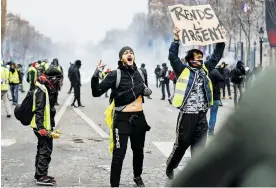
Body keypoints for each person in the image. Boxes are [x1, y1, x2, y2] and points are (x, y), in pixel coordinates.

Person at [170, 65, 276, 187]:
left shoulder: (269, 85)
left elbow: (213, 160)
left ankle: (209, 129)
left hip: (207, 105)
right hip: (198, 108)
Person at [166, 26, 225, 179]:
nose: (200, 58)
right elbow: (172, 57)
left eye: (201, 56)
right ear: (190, 60)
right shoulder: (182, 70)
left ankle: (196, 176)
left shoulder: (206, 69)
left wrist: (220, 39)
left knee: (199, 148)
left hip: (201, 116)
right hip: (187, 116)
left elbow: (217, 55)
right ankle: (171, 166)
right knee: (182, 145)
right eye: (196, 56)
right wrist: (176, 39)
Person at [91, 46, 151, 187]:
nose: (129, 54)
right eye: (126, 53)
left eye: (131, 52)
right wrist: (95, 74)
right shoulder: (114, 75)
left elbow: (144, 89)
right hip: (122, 119)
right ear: (121, 58)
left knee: (138, 151)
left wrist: (147, 91)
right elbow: (96, 92)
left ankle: (137, 176)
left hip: (139, 118)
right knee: (119, 154)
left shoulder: (141, 73)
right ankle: (115, 185)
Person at [30, 67, 63, 186]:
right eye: (58, 79)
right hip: (41, 126)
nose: (59, 82)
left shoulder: (47, 87)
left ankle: (39, 173)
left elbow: (49, 109)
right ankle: (41, 176)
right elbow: (39, 109)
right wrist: (41, 128)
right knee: (46, 149)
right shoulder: (42, 89)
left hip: (45, 125)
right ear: (52, 79)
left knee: (42, 148)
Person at [208, 63, 225, 137]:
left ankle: (199, 131)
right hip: (215, 96)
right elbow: (222, 79)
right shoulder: (214, 71)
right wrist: (221, 69)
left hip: (205, 95)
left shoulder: (203, 70)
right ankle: (210, 131)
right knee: (213, 114)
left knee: (201, 115)